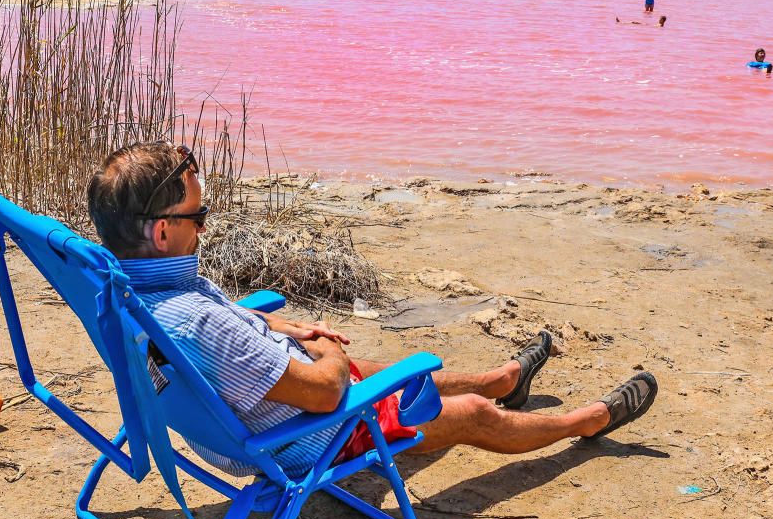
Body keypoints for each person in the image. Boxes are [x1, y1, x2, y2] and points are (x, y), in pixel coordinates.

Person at [85, 142, 658, 477]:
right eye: (197, 216)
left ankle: (506, 377)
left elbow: (219, 328)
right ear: (163, 231)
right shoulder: (199, 323)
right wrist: (326, 348)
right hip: (302, 438)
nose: (205, 225)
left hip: (231, 419)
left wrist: (277, 324)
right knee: (471, 414)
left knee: (402, 373)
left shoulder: (125, 288)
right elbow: (326, 395)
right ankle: (587, 421)